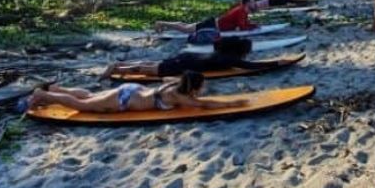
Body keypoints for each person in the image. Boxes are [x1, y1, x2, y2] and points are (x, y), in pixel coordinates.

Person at [26, 72, 248, 113]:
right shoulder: (179, 95)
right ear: (194, 86)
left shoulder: (178, 85)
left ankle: (57, 89)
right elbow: (205, 105)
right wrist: (233, 103)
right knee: (83, 106)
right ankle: (44, 95)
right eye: (202, 85)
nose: (204, 89)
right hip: (127, 99)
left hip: (134, 91)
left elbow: (167, 79)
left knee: (90, 96)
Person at [101, 38, 287, 79]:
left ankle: (120, 64)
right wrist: (277, 63)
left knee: (151, 64)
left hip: (187, 58)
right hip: (186, 64)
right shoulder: (231, 59)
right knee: (149, 70)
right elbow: (251, 66)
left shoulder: (222, 53)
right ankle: (116, 69)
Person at [153, 0, 292, 40]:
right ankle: (161, 23)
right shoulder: (241, 11)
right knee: (186, 29)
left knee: (186, 26)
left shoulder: (243, 10)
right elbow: (242, 26)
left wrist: (253, 24)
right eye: (252, 2)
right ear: (247, 3)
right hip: (212, 25)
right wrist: (254, 26)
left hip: (214, 23)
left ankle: (163, 24)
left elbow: (243, 23)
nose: (255, 3)